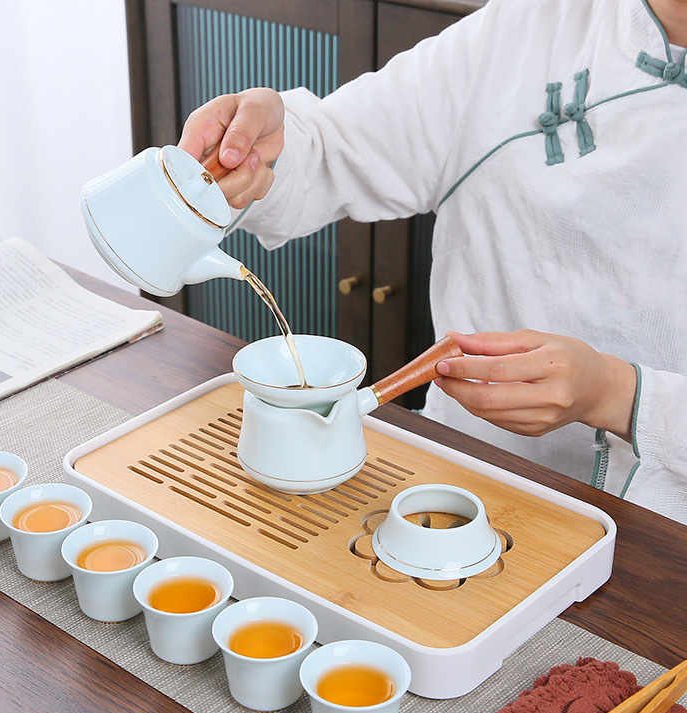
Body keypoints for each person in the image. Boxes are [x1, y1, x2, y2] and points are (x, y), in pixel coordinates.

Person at [178, 0, 687, 523]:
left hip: (663, 526)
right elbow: (334, 146)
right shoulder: (530, 24)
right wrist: (265, 145)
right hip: (462, 469)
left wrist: (618, 394)